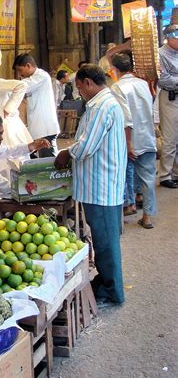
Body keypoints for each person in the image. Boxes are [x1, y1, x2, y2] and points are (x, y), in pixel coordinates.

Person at [55, 64, 127, 308]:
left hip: (101, 187)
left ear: (87, 82)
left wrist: (66, 152)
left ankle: (112, 291)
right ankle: (106, 282)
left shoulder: (102, 107)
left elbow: (86, 147)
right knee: (102, 238)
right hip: (100, 184)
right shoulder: (102, 104)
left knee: (106, 241)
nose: (79, 93)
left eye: (79, 87)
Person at [110, 53, 157, 228]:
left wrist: (129, 144)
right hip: (147, 136)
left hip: (129, 139)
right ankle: (147, 216)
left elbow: (126, 118)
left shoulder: (117, 87)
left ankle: (128, 205)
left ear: (115, 70)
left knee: (123, 175)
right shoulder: (143, 83)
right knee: (148, 179)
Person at [12, 53, 60, 156]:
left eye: (20, 70)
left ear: (28, 66)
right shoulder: (32, 79)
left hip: (45, 129)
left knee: (49, 162)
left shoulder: (41, 76)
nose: (20, 75)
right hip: (39, 129)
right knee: (41, 160)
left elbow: (21, 86)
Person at [157, 23, 178, 188]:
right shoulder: (160, 54)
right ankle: (165, 175)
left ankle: (176, 173)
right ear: (169, 38)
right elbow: (163, 79)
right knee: (170, 138)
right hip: (170, 97)